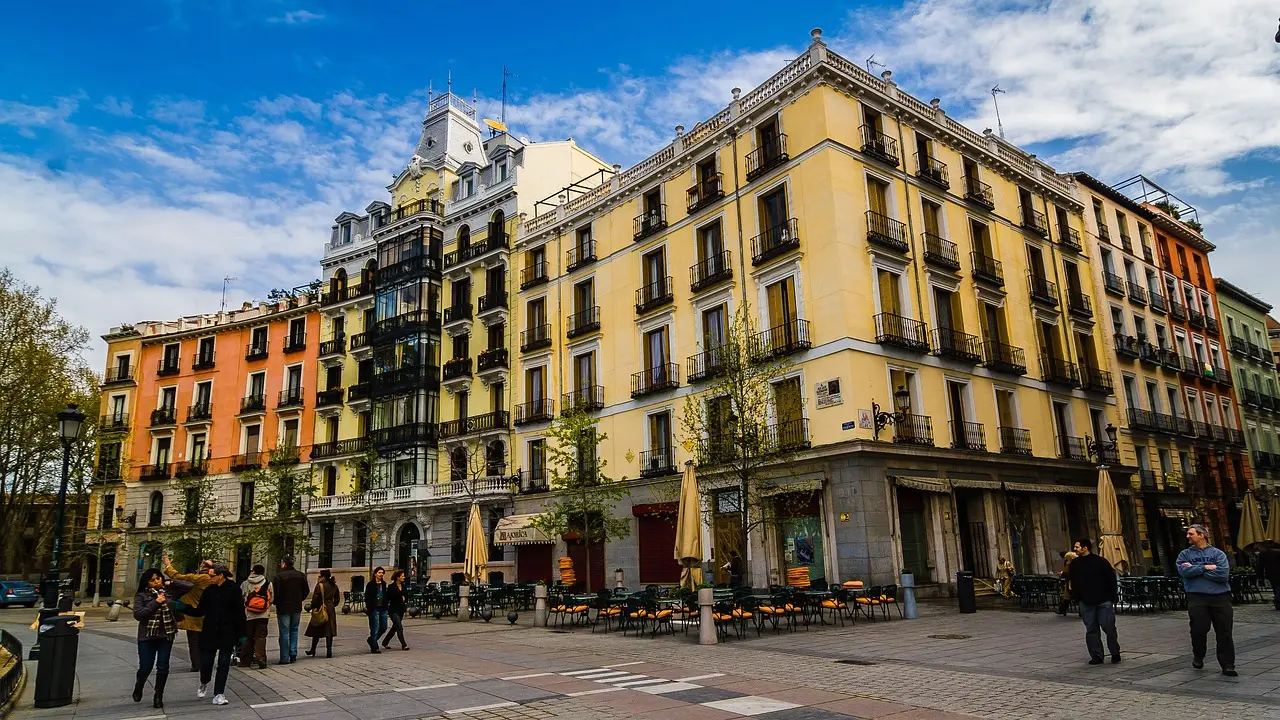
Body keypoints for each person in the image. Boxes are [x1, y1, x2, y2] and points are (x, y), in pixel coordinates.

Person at [1177, 524, 1236, 676]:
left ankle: (1227, 664)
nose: (1188, 536)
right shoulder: (1184, 554)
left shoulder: (1218, 554)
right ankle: (1198, 654)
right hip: (1197, 597)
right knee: (1198, 629)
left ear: (1201, 535)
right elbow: (1184, 571)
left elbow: (1222, 574)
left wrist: (1196, 569)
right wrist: (1206, 568)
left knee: (1225, 632)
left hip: (1220, 597)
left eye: (1191, 534)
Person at [183, 565, 246, 706]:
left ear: (221, 576)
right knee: (206, 663)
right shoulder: (208, 591)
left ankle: (219, 694)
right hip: (209, 632)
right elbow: (200, 611)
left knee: (223, 663)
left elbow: (240, 613)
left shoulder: (234, 590)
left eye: (211, 576)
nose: (209, 578)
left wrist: (242, 634)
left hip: (228, 633)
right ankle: (204, 681)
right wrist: (182, 607)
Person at [1066, 538, 1121, 665]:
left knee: (1108, 627)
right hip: (1086, 601)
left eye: (1077, 547)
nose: (1075, 549)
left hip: (1103, 600)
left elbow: (1111, 579)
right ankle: (1096, 655)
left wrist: (1112, 596)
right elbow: (1073, 581)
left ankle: (1115, 652)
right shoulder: (1074, 564)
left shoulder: (1100, 562)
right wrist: (1077, 597)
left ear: (1086, 548)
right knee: (1091, 629)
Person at [132, 569, 179, 709]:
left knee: (163, 666)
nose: (157, 581)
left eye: (158, 578)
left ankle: (158, 695)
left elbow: (187, 586)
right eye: (152, 580)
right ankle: (139, 685)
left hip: (166, 635)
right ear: (146, 582)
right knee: (146, 667)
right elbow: (139, 615)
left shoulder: (169, 593)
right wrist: (156, 602)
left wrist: (172, 581)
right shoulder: (141, 596)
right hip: (147, 636)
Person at [161, 556, 215, 672]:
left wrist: (168, 565)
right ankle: (203, 662)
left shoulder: (201, 578)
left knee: (194, 640)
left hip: (193, 613)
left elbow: (178, 576)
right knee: (203, 639)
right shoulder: (214, 578)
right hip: (207, 613)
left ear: (202, 566)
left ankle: (197, 664)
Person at [272, 557, 310, 665]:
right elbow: (306, 591)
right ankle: (293, 654)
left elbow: (276, 593)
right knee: (294, 630)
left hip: (283, 607)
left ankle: (284, 657)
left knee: (284, 632)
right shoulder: (301, 575)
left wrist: (277, 603)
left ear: (284, 564)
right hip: (296, 607)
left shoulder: (279, 576)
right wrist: (299, 599)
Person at [238, 564, 271, 669]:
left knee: (248, 637)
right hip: (263, 615)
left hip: (249, 615)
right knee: (261, 637)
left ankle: (245, 661)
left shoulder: (245, 583)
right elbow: (272, 598)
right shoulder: (268, 583)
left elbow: (242, 597)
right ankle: (260, 658)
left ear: (253, 571)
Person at [304, 569, 339, 658]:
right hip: (330, 609)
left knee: (316, 628)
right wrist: (331, 605)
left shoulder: (320, 585)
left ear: (323, 576)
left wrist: (313, 607)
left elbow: (315, 599)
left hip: (320, 608)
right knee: (329, 631)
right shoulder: (334, 585)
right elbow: (337, 599)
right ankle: (329, 651)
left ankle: (313, 649)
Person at [382, 570, 410, 651]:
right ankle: (404, 645)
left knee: (395, 627)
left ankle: (385, 642)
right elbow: (388, 598)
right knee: (399, 627)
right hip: (393, 610)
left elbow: (406, 596)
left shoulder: (403, 586)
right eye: (402, 576)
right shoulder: (391, 587)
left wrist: (405, 599)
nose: (404, 577)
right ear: (398, 577)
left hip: (401, 609)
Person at [365, 566, 388, 654]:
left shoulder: (384, 584)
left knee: (384, 627)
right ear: (375, 574)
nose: (381, 574)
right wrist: (369, 608)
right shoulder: (370, 584)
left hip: (383, 608)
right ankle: (374, 647)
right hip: (374, 609)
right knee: (375, 628)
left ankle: (371, 640)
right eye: (379, 572)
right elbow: (367, 597)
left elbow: (386, 595)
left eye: (382, 573)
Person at [1256, 540, 1280, 610]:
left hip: (1271, 574)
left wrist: (1260, 576)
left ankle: (1278, 601)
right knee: (1278, 587)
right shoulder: (1278, 552)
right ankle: (1278, 600)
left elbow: (1259, 566)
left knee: (1276, 587)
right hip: (1276, 573)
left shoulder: (1263, 553)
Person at [1056, 550, 1078, 615]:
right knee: (1066, 598)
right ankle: (1062, 610)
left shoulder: (1073, 564)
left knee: (1069, 597)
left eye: (1068, 559)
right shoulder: (1070, 563)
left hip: (1072, 583)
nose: (1067, 561)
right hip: (1069, 583)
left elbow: (1071, 574)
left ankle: (1062, 610)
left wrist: (1063, 573)